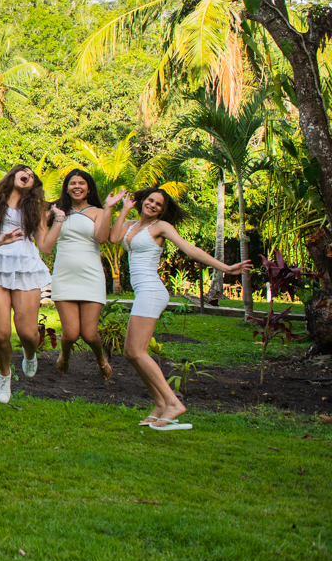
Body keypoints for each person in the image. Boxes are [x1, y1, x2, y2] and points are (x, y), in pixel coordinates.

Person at [111, 187, 252, 430]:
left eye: (159, 205)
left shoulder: (161, 228)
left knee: (137, 351)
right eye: (150, 200)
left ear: (163, 211)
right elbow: (113, 239)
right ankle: (159, 405)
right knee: (131, 353)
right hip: (142, 292)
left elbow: (191, 250)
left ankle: (173, 403)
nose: (153, 205)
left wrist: (226, 268)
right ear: (143, 200)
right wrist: (123, 210)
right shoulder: (130, 224)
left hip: (152, 291)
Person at [0, 164, 53, 404]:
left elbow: (45, 246)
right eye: (24, 171)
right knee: (0, 334)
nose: (27, 175)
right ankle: (5, 372)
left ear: (33, 184)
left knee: (28, 333)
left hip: (26, 267)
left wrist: (57, 221)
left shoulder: (36, 208)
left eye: (32, 175)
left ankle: (30, 353)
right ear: (13, 175)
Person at [40, 169, 120, 380]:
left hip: (91, 275)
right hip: (64, 275)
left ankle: (101, 359)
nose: (77, 186)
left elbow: (102, 238)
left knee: (89, 333)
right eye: (72, 183)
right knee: (71, 333)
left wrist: (110, 208)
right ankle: (64, 355)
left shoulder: (98, 212)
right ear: (66, 187)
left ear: (88, 188)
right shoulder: (56, 210)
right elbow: (41, 234)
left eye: (81, 183)